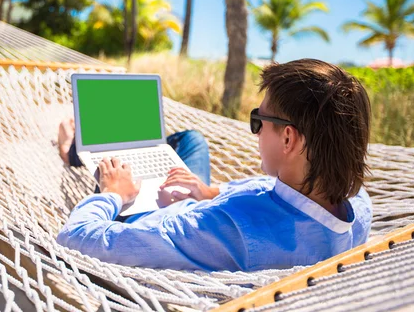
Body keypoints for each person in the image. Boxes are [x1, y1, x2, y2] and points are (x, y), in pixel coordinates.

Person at [56, 59, 373, 272]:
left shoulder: (227, 228)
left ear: (289, 139)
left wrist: (113, 194)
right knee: (192, 140)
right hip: (196, 204)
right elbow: (275, 194)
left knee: (116, 167)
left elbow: (78, 236)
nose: (257, 131)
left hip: (159, 222)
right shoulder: (358, 207)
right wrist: (207, 192)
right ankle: (131, 146)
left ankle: (76, 151)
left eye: (258, 121)